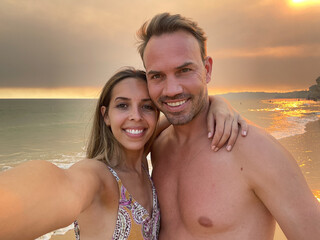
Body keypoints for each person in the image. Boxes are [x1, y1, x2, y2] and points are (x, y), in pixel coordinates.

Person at [0, 68, 247, 240]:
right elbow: (61, 186)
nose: (136, 116)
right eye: (122, 105)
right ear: (106, 115)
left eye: (147, 106)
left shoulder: (140, 159)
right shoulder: (98, 177)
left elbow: (175, 117)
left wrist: (218, 103)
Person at [137, 12, 320, 240]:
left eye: (184, 71)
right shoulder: (155, 144)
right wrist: (218, 102)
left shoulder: (256, 150)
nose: (172, 89)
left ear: (208, 70)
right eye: (157, 76)